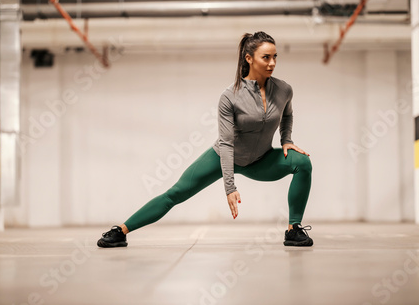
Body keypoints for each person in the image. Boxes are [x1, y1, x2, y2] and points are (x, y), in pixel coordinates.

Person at [97, 31, 313, 248]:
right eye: (266, 57)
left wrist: (286, 139)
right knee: (176, 193)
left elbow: (287, 113)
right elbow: (227, 143)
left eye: (275, 57)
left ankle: (293, 230)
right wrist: (230, 187)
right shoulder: (230, 97)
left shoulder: (284, 90)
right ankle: (121, 231)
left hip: (261, 160)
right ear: (249, 58)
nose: (272, 63)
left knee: (302, 163)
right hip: (223, 157)